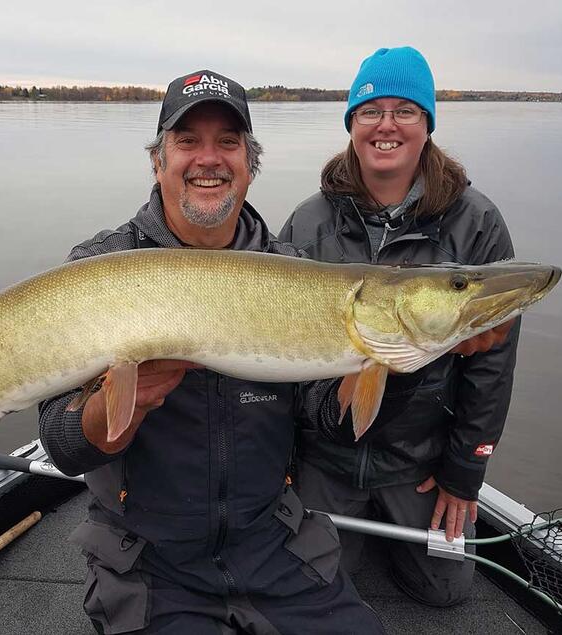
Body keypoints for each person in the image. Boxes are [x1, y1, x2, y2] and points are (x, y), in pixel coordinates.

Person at [39, 70, 385, 634]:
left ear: (250, 165)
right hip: (146, 557)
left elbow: (330, 422)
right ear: (158, 161)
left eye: (228, 142)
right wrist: (123, 403)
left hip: (273, 543)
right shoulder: (99, 267)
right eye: (187, 141)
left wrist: (405, 360)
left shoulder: (294, 272)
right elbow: (61, 444)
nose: (209, 158)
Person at [279, 47, 519, 607]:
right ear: (353, 124)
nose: (386, 125)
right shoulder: (309, 220)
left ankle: (392, 527)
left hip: (419, 458)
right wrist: (284, 466)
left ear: (427, 124)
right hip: (328, 456)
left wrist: (464, 471)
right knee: (308, 585)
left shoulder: (477, 221)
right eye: (370, 111)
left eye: (405, 110)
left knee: (448, 592)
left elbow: (493, 366)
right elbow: (284, 364)